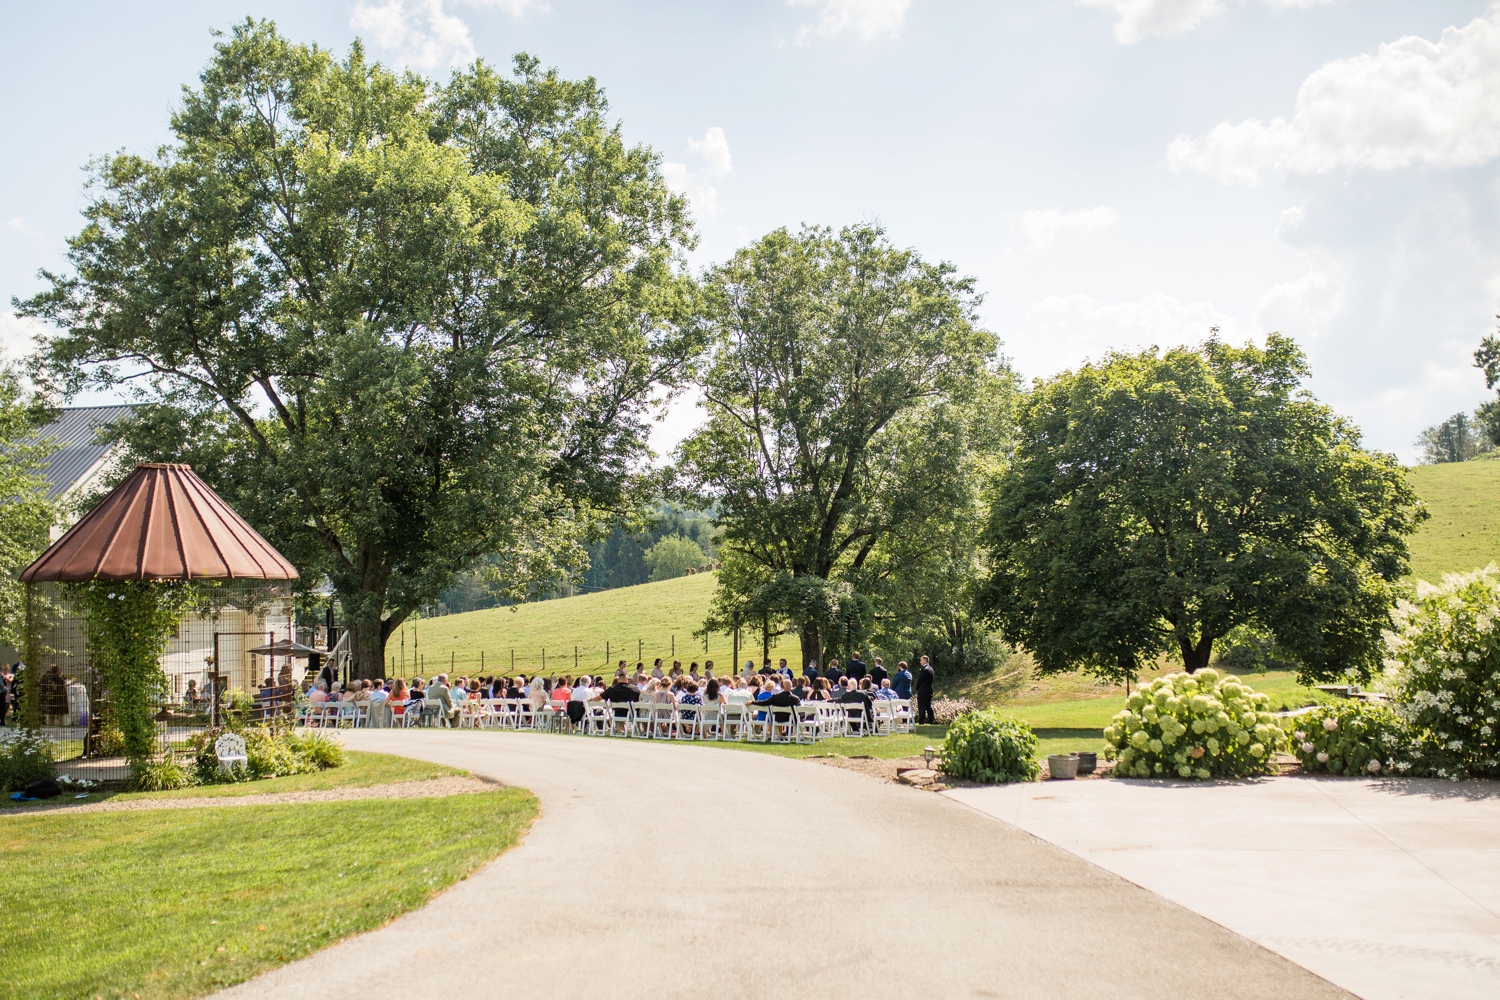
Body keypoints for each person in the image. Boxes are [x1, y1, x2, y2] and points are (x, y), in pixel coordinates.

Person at [915, 655, 936, 724]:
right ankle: (932, 720)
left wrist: (917, 687)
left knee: (921, 706)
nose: (920, 662)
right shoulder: (931, 669)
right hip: (929, 690)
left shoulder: (924, 669)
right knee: (928, 706)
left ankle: (921, 721)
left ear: (924, 661)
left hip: (923, 690)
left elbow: (920, 680)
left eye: (921, 660)